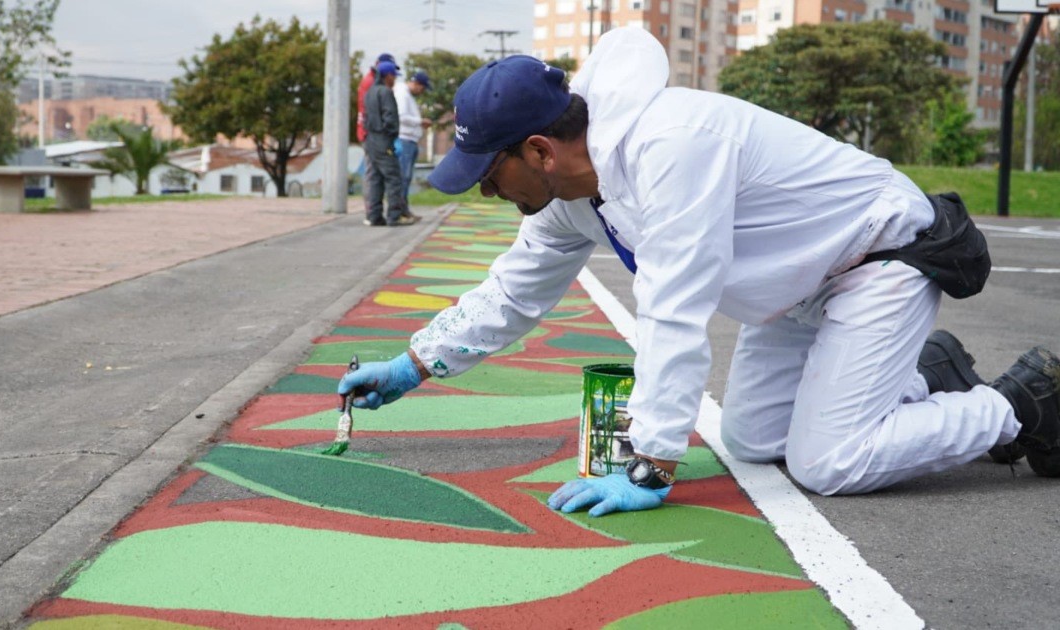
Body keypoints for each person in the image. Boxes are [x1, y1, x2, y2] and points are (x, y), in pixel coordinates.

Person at [337, 27, 1059, 517]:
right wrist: (415, 363)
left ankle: (1022, 406)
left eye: (489, 177)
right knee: (751, 440)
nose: (488, 195)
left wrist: (652, 464)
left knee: (829, 461)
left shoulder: (673, 144)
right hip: (798, 290)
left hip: (877, 259)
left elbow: (675, 309)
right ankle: (925, 374)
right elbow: (512, 289)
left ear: (538, 150)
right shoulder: (570, 197)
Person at [362, 61, 417, 227]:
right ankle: (394, 216)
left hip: (370, 140)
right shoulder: (386, 92)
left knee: (376, 179)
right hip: (383, 140)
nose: (394, 80)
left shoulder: (370, 92)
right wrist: (392, 137)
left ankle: (374, 216)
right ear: (388, 76)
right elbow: (390, 119)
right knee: (394, 178)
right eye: (394, 76)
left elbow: (365, 118)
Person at [394, 71, 433, 215]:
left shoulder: (407, 95)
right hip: (405, 139)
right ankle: (400, 210)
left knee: (406, 176)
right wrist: (420, 122)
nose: (421, 92)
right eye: (422, 88)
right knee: (403, 177)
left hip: (410, 140)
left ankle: (403, 209)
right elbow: (401, 116)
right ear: (417, 84)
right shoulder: (402, 94)